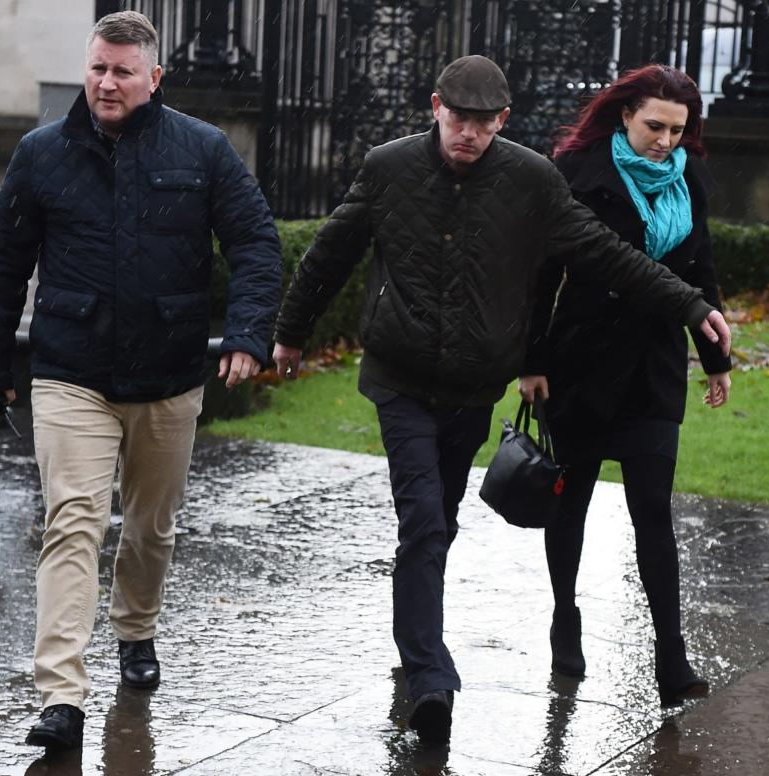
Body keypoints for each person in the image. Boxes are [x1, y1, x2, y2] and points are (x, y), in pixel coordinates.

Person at [271, 55, 731, 746]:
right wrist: (289, 334)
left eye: (484, 123)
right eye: (459, 119)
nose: (469, 134)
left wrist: (691, 306)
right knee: (424, 520)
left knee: (440, 522)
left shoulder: (530, 179)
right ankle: (431, 675)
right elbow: (331, 252)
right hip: (399, 377)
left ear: (503, 121)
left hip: (472, 388)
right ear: (436, 108)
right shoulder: (391, 166)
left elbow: (602, 253)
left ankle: (418, 641)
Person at [0, 10, 282, 750]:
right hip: (71, 370)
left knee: (150, 526)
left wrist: (246, 334)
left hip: (169, 374)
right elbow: (3, 266)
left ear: (153, 78)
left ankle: (135, 630)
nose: (107, 83)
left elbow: (256, 243)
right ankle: (62, 696)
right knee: (72, 520)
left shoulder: (202, 150)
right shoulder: (42, 153)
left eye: (122, 71)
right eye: (97, 68)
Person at [520, 65, 732, 707]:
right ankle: (565, 616)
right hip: (580, 362)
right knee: (570, 505)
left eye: (679, 129)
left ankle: (672, 659)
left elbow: (699, 266)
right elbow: (540, 274)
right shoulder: (576, 173)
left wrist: (715, 355)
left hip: (654, 367)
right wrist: (531, 360)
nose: (667, 140)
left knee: (653, 516)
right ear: (624, 115)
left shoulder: (689, 177)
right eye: (655, 126)